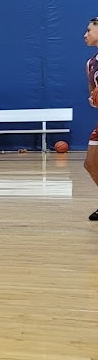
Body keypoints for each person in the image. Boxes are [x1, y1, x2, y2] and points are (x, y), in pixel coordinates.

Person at [84, 17, 98, 221]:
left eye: (89, 30)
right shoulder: (91, 63)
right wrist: (93, 99)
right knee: (91, 163)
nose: (85, 35)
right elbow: (92, 92)